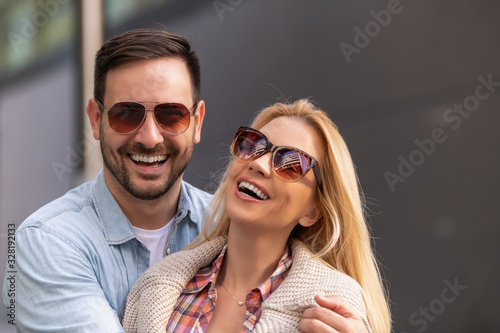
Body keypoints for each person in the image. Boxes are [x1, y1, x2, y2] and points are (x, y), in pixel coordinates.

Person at [2, 29, 211, 332]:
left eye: (171, 115)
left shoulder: (234, 226)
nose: (150, 139)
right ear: (96, 120)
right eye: (126, 114)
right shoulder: (45, 242)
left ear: (197, 122)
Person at [122, 99, 392, 333]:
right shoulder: (157, 287)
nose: (259, 164)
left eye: (290, 163)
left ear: (312, 211)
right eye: (254, 146)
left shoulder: (333, 307)